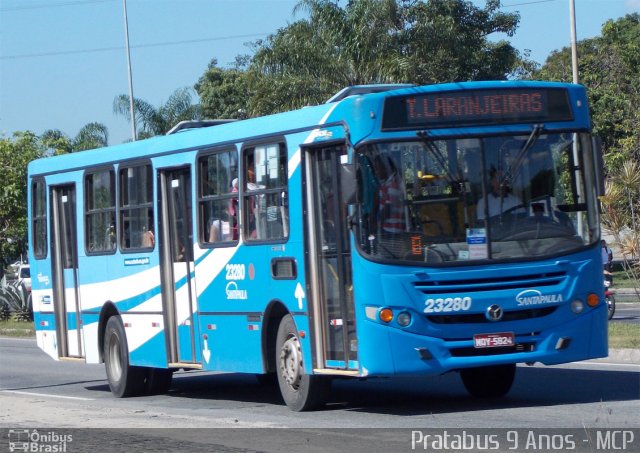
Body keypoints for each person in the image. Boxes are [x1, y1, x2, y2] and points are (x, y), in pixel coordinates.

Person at [375, 156, 406, 234]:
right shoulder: (387, 183)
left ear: (386, 168)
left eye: (378, 169)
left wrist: (376, 223)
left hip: (391, 229)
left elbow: (388, 208)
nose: (376, 172)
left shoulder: (393, 185)